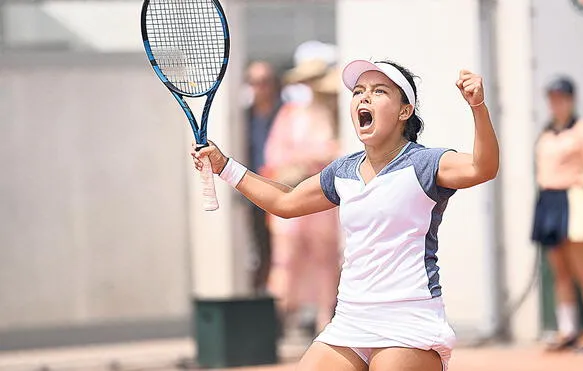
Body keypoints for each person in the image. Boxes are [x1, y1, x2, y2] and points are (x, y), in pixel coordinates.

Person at [192, 60, 499, 371]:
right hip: (351, 320)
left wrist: (478, 107)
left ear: (405, 111)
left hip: (409, 318)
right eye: (359, 91)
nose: (364, 97)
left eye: (379, 91)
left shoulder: (426, 163)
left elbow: (482, 168)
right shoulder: (343, 171)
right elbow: (285, 202)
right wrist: (223, 166)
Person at [262, 59, 341, 338]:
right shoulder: (290, 115)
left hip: (325, 202)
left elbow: (342, 153)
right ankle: (276, 323)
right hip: (294, 198)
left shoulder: (337, 114)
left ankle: (324, 323)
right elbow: (275, 156)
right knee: (285, 262)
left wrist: (319, 156)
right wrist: (307, 158)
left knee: (326, 262)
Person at [532, 76, 583, 351]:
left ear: (571, 99)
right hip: (549, 202)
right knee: (560, 271)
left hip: (576, 200)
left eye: (562, 97)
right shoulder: (546, 132)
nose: (556, 103)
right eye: (552, 98)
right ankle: (568, 330)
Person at [244, 61, 282, 293]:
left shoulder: (285, 112)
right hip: (252, 192)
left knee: (281, 251)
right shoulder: (243, 118)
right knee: (260, 249)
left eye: (265, 82)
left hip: (281, 190)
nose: (260, 88)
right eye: (255, 83)